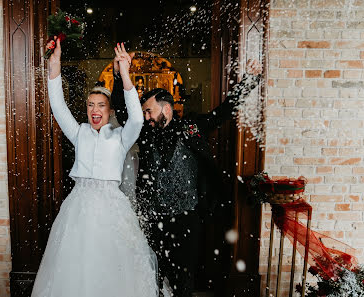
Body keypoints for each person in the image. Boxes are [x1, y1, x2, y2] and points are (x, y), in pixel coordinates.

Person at [111, 45, 262, 297]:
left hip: (187, 217)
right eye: (145, 111)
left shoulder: (192, 126)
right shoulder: (145, 132)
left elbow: (223, 111)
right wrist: (119, 75)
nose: (146, 116)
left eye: (149, 110)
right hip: (153, 216)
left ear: (166, 108)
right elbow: (124, 112)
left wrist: (249, 80)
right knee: (152, 272)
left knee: (185, 275)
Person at [31, 39, 158, 297]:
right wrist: (54, 64)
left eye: (100, 105)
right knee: (76, 269)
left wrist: (125, 74)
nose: (94, 110)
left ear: (109, 111)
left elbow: (136, 117)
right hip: (79, 207)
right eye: (90, 105)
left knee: (112, 268)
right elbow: (57, 106)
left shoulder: (122, 137)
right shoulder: (79, 133)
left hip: (112, 208)